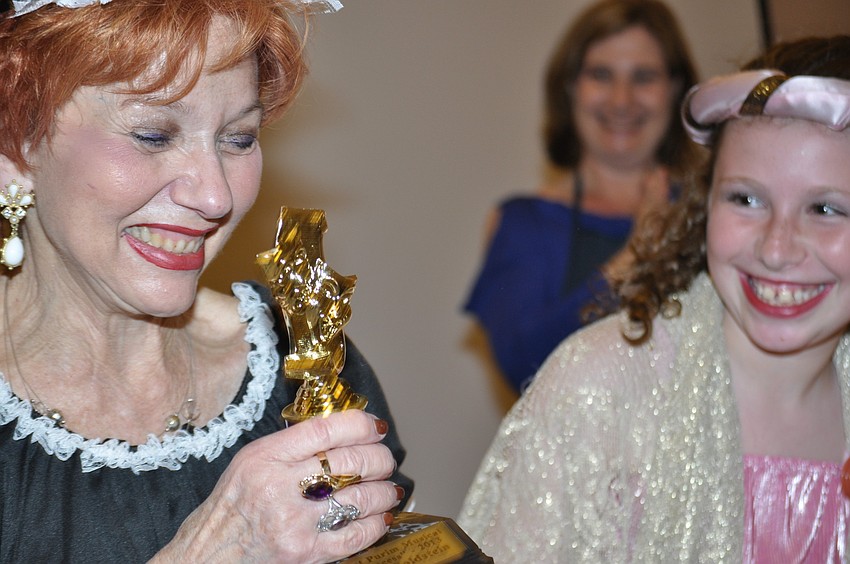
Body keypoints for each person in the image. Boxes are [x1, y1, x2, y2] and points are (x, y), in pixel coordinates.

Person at [0, 0, 413, 561]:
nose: (216, 195)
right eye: (153, 135)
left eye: (239, 138)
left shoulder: (299, 357)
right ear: (16, 143)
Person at [459, 34, 850, 561]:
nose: (777, 250)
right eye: (747, 198)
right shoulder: (600, 389)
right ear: (705, 203)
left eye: (826, 209)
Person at [463, 0, 702, 394]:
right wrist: (638, 253)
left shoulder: (717, 210)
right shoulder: (525, 223)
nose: (621, 99)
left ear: (675, 90)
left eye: (643, 76)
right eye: (601, 75)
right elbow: (524, 366)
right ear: (571, 87)